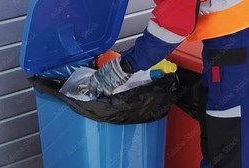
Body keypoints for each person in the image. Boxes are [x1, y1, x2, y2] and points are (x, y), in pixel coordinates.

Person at [89, 0, 249, 167]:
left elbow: (173, 23)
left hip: (238, 42)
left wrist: (125, 65)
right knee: (215, 128)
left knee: (230, 135)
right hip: (225, 42)